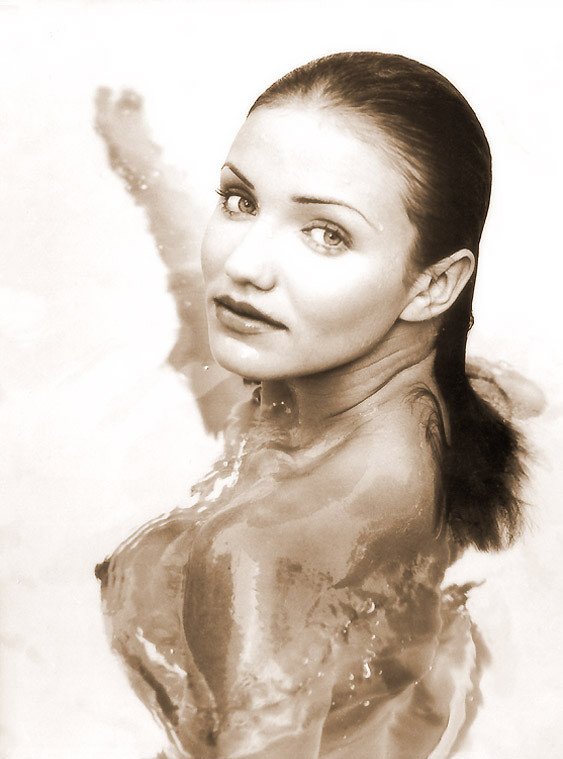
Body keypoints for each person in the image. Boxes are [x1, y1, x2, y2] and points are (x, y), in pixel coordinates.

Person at [95, 52, 540, 759]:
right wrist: (139, 162)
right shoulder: (473, 398)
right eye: (239, 200)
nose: (243, 264)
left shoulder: (256, 554)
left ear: (433, 285)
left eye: (327, 234)